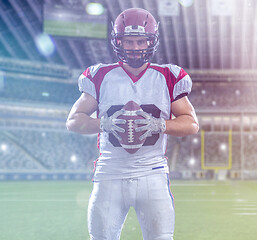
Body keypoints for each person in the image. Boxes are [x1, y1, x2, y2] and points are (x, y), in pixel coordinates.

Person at [66, 8, 199, 240]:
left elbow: (191, 124)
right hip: (110, 171)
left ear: (152, 41)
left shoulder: (168, 76)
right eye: (129, 41)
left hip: (152, 172)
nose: (135, 47)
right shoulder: (99, 75)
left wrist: (159, 125)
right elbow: (73, 121)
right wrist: (104, 123)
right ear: (118, 41)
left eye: (141, 41)